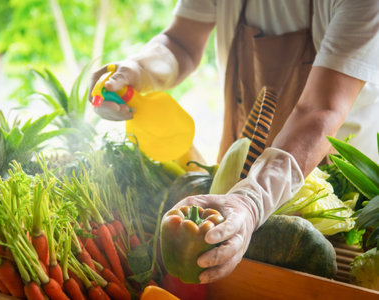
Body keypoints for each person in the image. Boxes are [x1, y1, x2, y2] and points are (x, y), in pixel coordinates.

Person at [89, 0, 379, 283]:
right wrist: (138, 70)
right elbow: (180, 43)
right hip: (236, 196)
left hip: (335, 213)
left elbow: (319, 110)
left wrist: (251, 202)